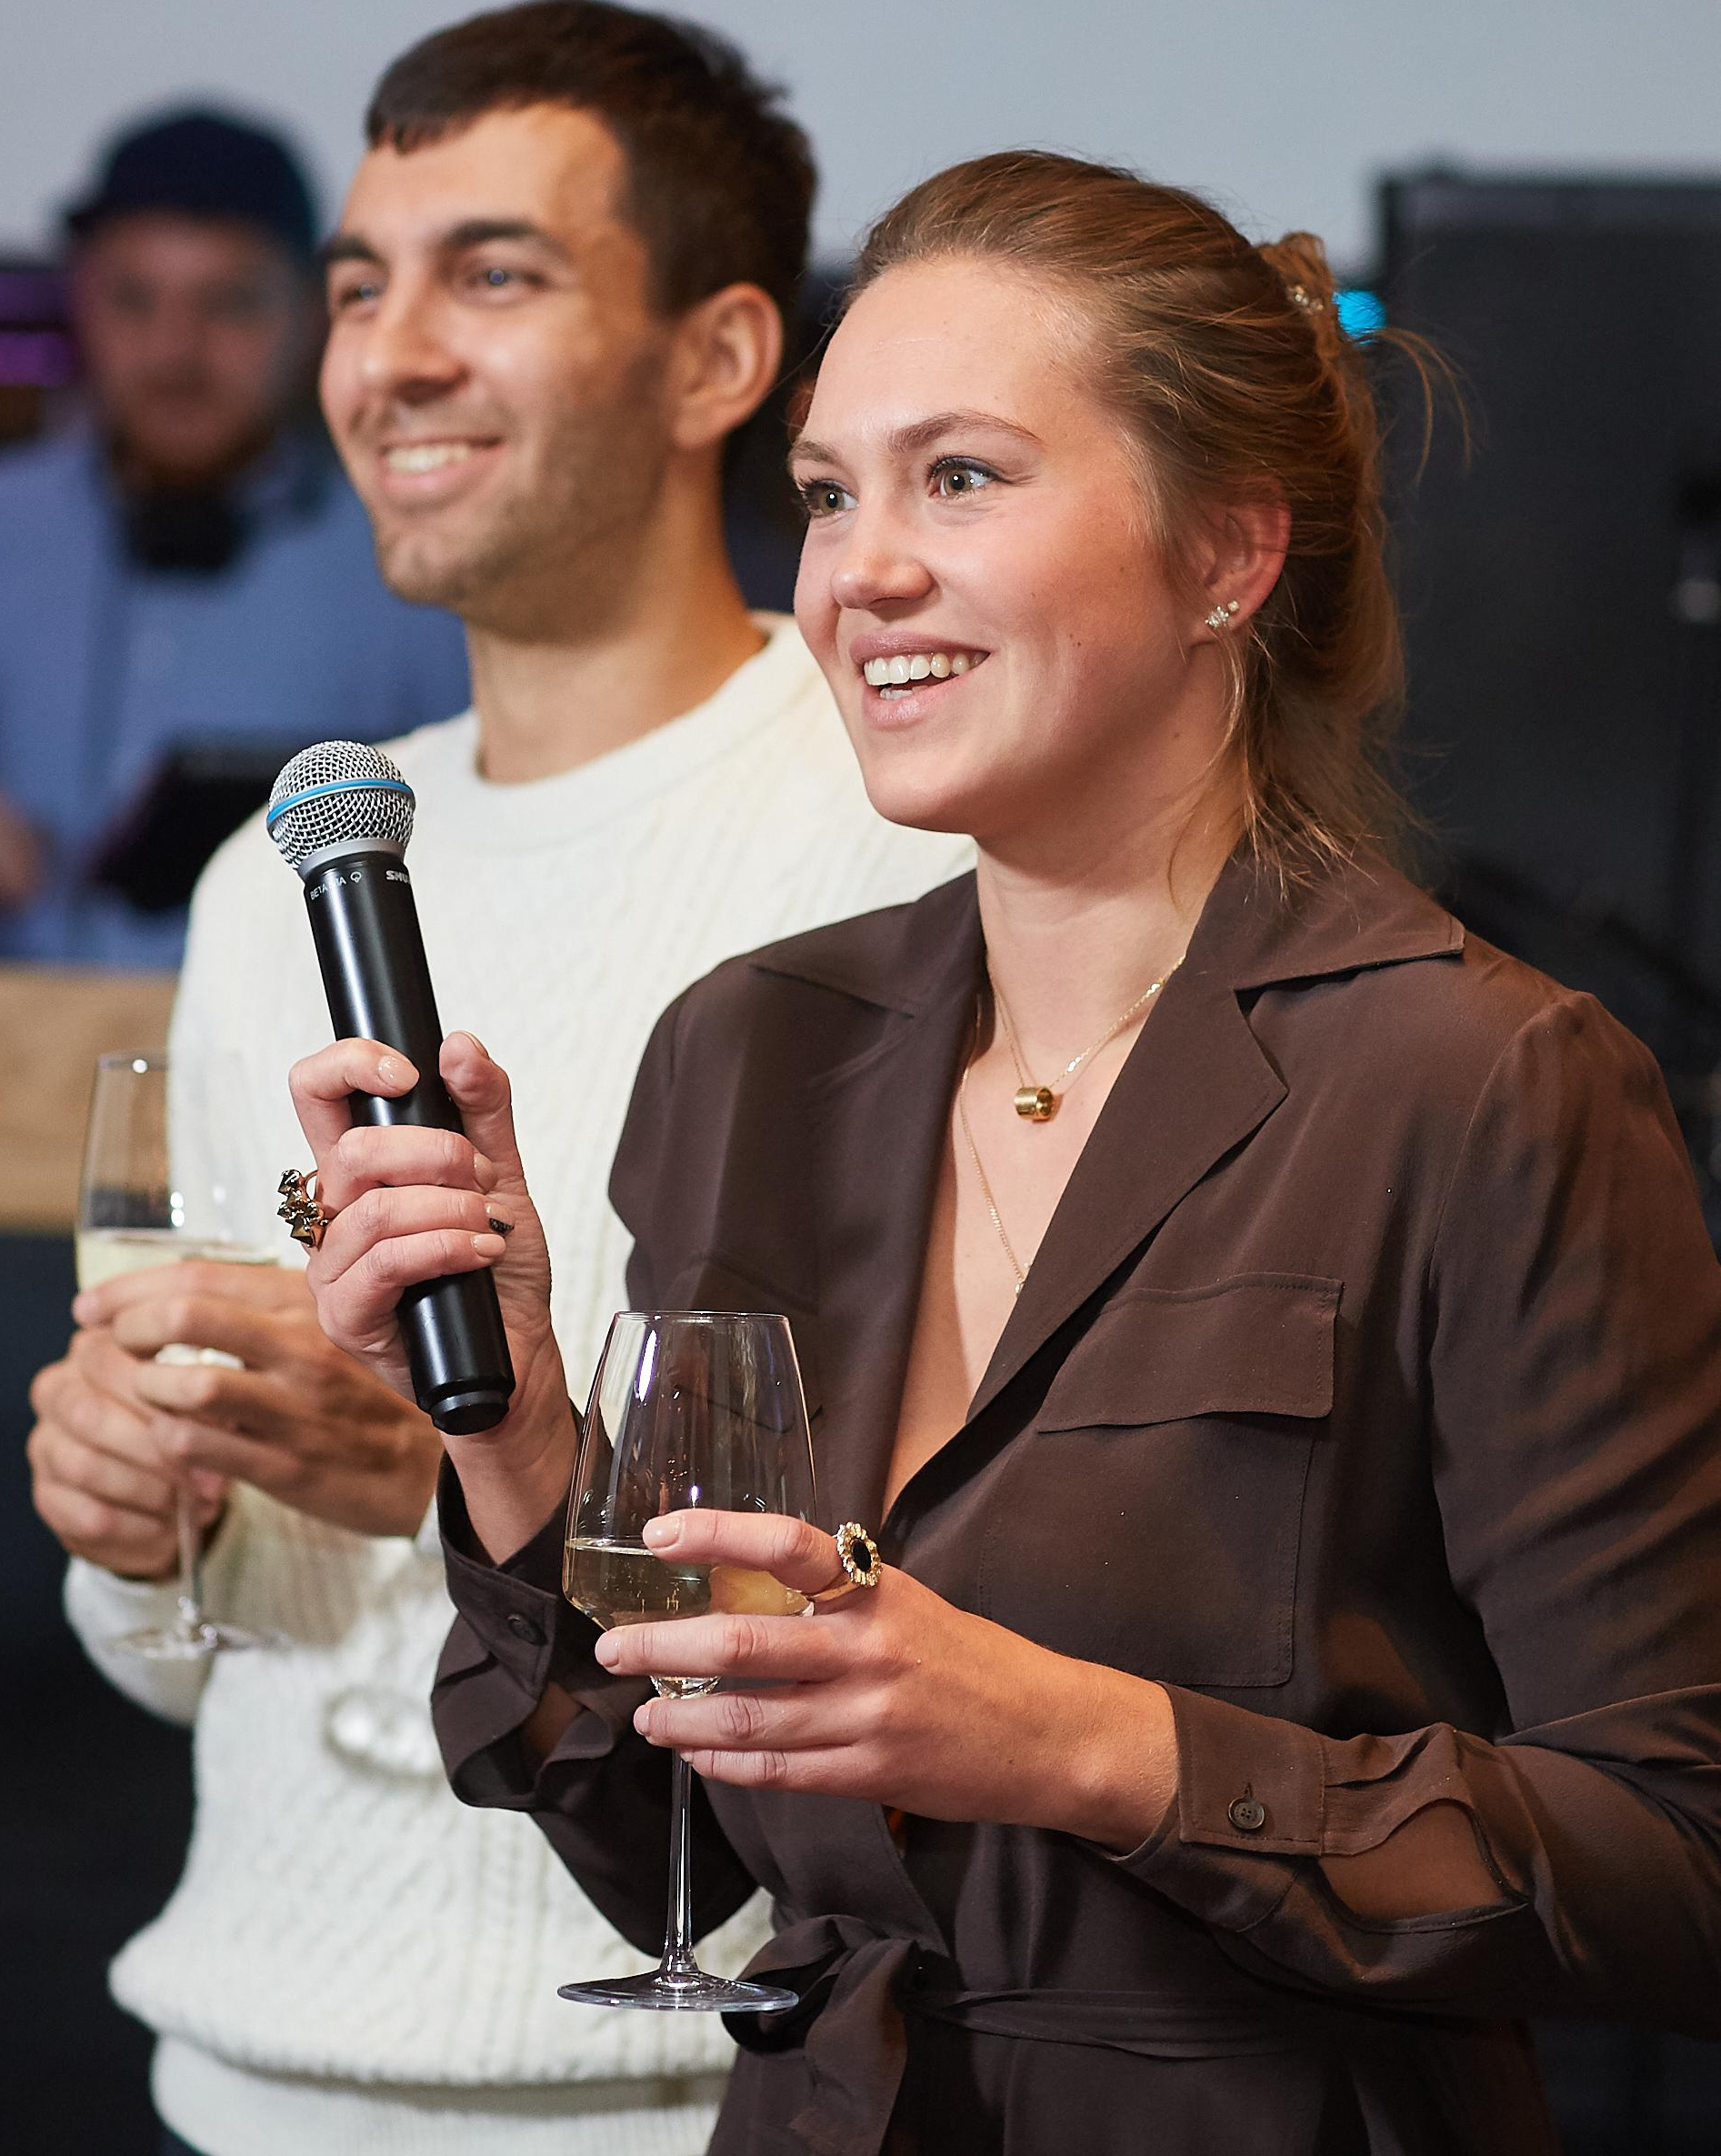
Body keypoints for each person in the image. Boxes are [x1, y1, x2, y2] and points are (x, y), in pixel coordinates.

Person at [293, 150, 1721, 2156]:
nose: (858, 569)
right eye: (825, 494)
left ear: (1227, 552)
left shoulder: (1478, 1075)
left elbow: (1675, 1861)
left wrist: (1089, 1746)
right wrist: (518, 1434)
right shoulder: (750, 1052)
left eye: (959, 478)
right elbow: (688, 1879)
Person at [27, 0, 971, 2156]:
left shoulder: (888, 823)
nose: (388, 354)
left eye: (492, 273)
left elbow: (956, 1549)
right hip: (249, 2055)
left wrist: (491, 1478)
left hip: (674, 2065)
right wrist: (135, 1516)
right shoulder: (291, 865)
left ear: (722, 361)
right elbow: (195, 1648)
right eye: (361, 284)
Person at [0, 105, 470, 964]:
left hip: (303, 1080)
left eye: (230, 304)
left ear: (316, 313)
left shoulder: (421, 558)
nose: (175, 350)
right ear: (80, 301)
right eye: (133, 300)